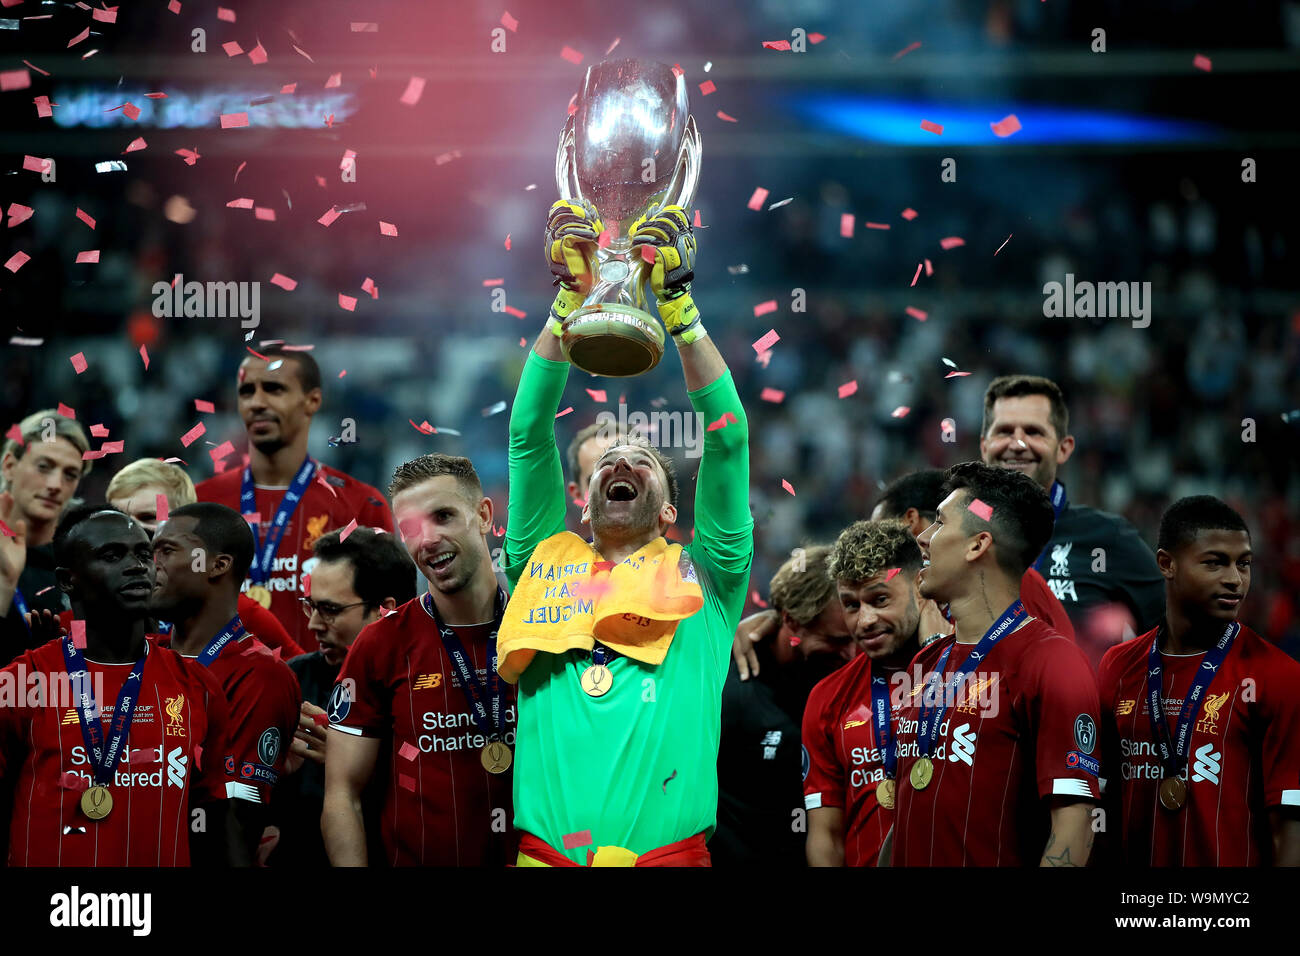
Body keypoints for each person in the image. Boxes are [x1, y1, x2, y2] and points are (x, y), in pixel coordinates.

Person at [498, 200, 752, 866]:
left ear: (671, 512)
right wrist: (567, 308)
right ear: (582, 506)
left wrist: (682, 317)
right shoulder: (538, 567)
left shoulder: (709, 579)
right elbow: (528, 437)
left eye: (644, 461)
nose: (621, 460)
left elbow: (728, 442)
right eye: (608, 461)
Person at [0, 505, 243, 865]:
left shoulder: (196, 684)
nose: (137, 566)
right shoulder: (25, 681)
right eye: (112, 555)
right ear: (68, 580)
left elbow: (215, 814)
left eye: (144, 554)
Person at [887, 462, 1102, 867]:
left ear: (977, 545)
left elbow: (1074, 825)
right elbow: (906, 810)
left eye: (939, 524)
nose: (924, 539)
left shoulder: (1051, 662)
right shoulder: (925, 662)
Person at [323, 454, 515, 866]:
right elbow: (342, 795)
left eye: (443, 516)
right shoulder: (380, 644)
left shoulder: (542, 629)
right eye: (411, 528)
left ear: (483, 514)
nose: (427, 539)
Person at [1097, 496, 1300, 866]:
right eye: (1215, 563)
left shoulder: (1279, 676)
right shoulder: (1117, 666)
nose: (1235, 580)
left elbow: (1290, 829)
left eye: (1244, 564)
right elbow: (1100, 800)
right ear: (1166, 564)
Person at [195, 344, 394, 653]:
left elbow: (388, 628)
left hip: (328, 697)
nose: (257, 403)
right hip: (220, 696)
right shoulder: (201, 505)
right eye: (247, 392)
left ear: (312, 400)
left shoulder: (360, 505)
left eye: (274, 389)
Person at [149, 502, 302, 861]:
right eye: (149, 552)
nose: (149, 564)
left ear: (218, 564)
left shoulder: (262, 675)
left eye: (166, 551)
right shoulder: (141, 657)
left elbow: (236, 812)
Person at [980, 375, 1164, 657]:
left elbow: (1180, 639)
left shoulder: (1107, 537)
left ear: (1063, 448)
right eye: (1005, 431)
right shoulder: (954, 538)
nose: (1017, 443)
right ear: (984, 447)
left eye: (1033, 432)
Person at [270, 525, 417, 867]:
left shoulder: (430, 685)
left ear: (386, 610)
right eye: (311, 607)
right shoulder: (290, 680)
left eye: (331, 610)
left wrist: (360, 761)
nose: (313, 625)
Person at [713, 546, 854, 868]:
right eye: (835, 641)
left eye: (853, 639)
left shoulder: (853, 679)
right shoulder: (726, 689)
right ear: (790, 619)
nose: (850, 654)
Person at [803, 521, 924, 866]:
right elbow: (825, 835)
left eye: (880, 599)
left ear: (920, 587)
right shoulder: (827, 699)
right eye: (852, 605)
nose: (865, 620)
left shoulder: (969, 677)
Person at [109, 457, 304, 658]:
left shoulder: (240, 614)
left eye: (148, 517)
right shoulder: (98, 603)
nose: (130, 531)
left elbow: (302, 677)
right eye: (119, 519)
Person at [872, 467, 1076, 643]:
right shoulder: (935, 592)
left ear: (910, 521)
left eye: (879, 533)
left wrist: (934, 645)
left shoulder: (1013, 581)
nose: (873, 551)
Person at [0, 410, 92, 664]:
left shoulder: (81, 571)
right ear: (9, 466)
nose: (55, 484)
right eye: (44, 467)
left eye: (70, 474)